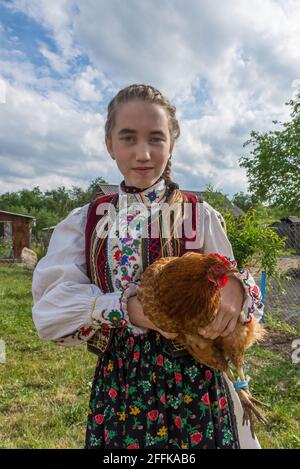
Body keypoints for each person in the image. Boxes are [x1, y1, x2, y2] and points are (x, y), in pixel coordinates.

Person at [32, 83, 264, 449]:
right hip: (124, 388)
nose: (143, 153)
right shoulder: (87, 221)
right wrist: (126, 310)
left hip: (196, 382)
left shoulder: (197, 215)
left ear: (171, 143)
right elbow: (49, 312)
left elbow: (236, 288)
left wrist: (237, 288)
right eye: (128, 138)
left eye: (156, 139)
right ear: (109, 144)